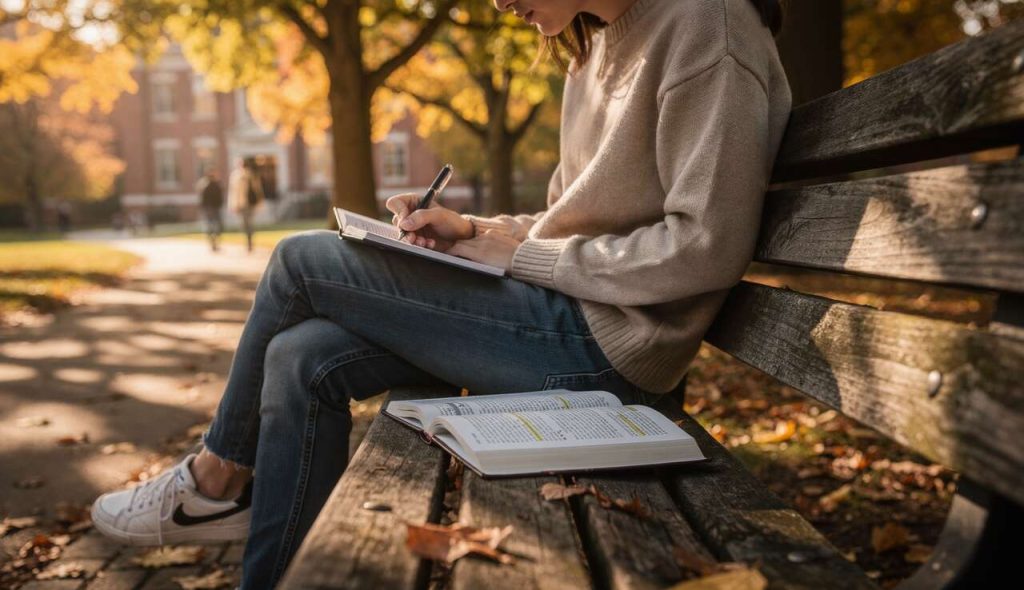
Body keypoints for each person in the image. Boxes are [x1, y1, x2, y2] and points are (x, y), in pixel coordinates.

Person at [90, 1, 792, 587]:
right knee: (301, 356)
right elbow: (568, 222)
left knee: (299, 260)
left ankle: (213, 481)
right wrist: (473, 231)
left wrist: (526, 256)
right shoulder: (596, 43)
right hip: (568, 316)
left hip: (612, 353)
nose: (496, 4)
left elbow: (706, 245)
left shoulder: (707, 25)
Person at [228, 157, 264, 252]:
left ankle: (249, 242)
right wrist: (233, 204)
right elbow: (233, 192)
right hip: (242, 204)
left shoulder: (247, 175)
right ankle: (248, 242)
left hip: (247, 204)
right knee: (246, 224)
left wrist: (260, 202)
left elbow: (257, 190)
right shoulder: (237, 176)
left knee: (248, 223)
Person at [197, 172, 225, 252]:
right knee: (216, 226)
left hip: (209, 209)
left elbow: (202, 199)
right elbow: (221, 198)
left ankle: (213, 242)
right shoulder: (217, 185)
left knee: (210, 226)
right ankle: (214, 242)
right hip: (215, 208)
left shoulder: (204, 185)